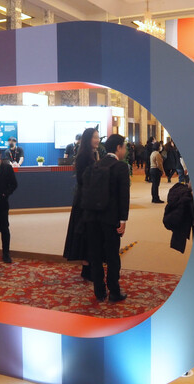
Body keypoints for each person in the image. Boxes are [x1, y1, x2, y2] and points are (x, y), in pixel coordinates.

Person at [84, 134, 130, 302]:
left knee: (95, 255)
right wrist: (123, 220)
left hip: (91, 217)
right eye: (124, 147)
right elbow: (124, 196)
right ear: (118, 148)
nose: (125, 151)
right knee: (112, 256)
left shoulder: (95, 165)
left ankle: (99, 291)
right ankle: (114, 291)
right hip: (110, 219)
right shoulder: (121, 167)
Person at [64, 128, 100, 280]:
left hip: (90, 198)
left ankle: (89, 267)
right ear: (88, 139)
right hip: (84, 200)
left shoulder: (93, 154)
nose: (98, 140)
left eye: (98, 137)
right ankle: (86, 268)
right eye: (95, 137)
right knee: (84, 232)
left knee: (90, 233)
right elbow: (83, 179)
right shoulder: (84, 156)